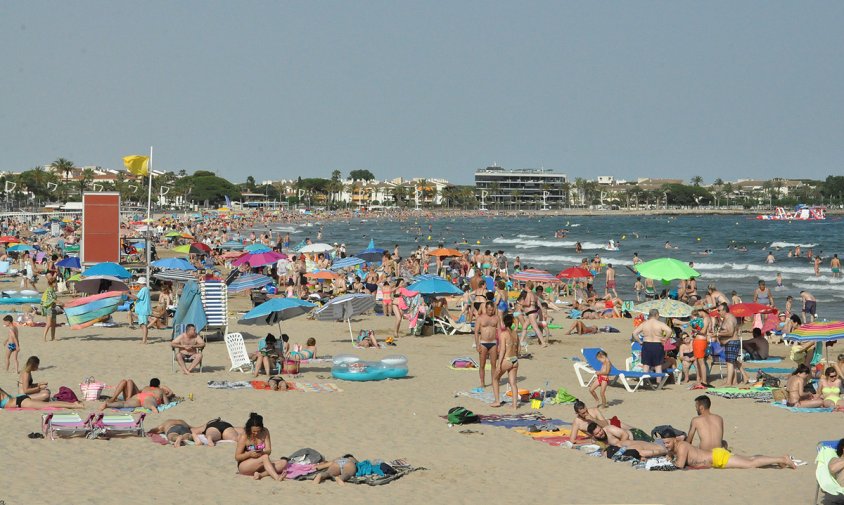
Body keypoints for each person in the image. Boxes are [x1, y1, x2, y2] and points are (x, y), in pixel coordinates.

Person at [662, 434, 796, 470]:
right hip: (716, 455)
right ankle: (778, 459)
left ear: (675, 440)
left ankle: (783, 459)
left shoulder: (682, 447)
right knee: (750, 459)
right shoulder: (677, 447)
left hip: (718, 458)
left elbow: (679, 465)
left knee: (750, 463)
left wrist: (669, 459)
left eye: (668, 442)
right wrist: (670, 454)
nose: (666, 445)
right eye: (664, 443)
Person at [235, 412, 288, 481]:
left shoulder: (265, 432)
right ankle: (277, 477)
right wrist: (249, 454)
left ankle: (260, 474)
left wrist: (262, 453)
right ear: (249, 429)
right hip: (245, 465)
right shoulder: (244, 436)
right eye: (253, 431)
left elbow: (268, 450)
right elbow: (237, 457)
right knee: (265, 457)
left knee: (283, 463)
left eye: (258, 431)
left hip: (260, 462)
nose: (256, 433)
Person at [585, 423, 667, 458]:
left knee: (654, 444)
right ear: (594, 435)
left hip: (636, 435)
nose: (600, 433)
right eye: (597, 433)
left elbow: (625, 435)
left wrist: (621, 447)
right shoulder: (596, 439)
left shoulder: (609, 429)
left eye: (600, 430)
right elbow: (588, 442)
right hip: (631, 444)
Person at [99, 378, 174, 413]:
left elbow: (140, 392)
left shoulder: (145, 388)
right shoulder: (160, 390)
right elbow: (166, 403)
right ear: (158, 385)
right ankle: (152, 408)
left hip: (139, 396)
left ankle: (108, 405)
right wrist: (169, 395)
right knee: (148, 404)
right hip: (149, 397)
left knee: (124, 404)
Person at [632, 309, 672, 374]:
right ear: (657, 315)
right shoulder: (660, 323)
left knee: (646, 365)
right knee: (658, 366)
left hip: (646, 344)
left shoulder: (644, 323)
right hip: (657, 344)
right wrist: (665, 338)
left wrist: (640, 342)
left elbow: (634, 333)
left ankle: (645, 381)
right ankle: (659, 383)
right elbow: (669, 331)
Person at [493, 314, 519, 409]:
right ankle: (515, 405)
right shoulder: (515, 334)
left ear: (503, 323)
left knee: (495, 378)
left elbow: (502, 350)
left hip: (507, 359)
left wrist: (499, 364)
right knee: (513, 383)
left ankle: (497, 401)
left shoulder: (504, 334)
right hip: (515, 360)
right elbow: (518, 349)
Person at [474, 303, 499, 401]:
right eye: (489, 310)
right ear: (486, 309)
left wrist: (500, 345)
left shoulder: (496, 318)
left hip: (493, 343)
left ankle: (494, 381)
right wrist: (477, 344)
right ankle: (482, 383)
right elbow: (476, 331)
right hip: (483, 343)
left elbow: (500, 331)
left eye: (492, 310)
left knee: (494, 364)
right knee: (482, 364)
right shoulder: (480, 318)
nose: (491, 311)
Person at [715, 303, 742, 386]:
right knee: (731, 362)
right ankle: (733, 382)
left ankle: (728, 382)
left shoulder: (729, 318)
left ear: (724, 310)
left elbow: (730, 332)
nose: (718, 312)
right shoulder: (726, 318)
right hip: (730, 342)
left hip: (732, 342)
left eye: (719, 310)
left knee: (729, 363)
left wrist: (718, 334)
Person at [0, 386, 83, 409]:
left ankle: (74, 405)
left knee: (49, 405)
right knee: (48, 402)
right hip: (18, 398)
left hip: (20, 402)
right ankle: (72, 404)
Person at [131, 277, 152, 344]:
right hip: (143, 310)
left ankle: (144, 340)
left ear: (141, 283)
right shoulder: (146, 289)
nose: (138, 285)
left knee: (143, 325)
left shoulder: (144, 289)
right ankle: (144, 340)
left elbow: (136, 297)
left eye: (139, 284)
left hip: (143, 310)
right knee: (142, 325)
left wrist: (127, 294)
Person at [41, 277, 61, 342]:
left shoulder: (52, 290)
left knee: (54, 324)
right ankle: (44, 337)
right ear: (52, 283)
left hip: (53, 308)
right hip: (48, 308)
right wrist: (59, 302)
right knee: (49, 323)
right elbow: (51, 299)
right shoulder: (49, 290)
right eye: (55, 282)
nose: (56, 283)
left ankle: (53, 337)